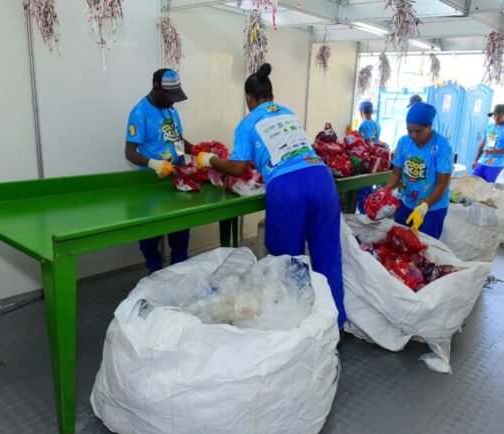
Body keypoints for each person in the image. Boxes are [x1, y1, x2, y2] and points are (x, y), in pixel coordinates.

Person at [196, 63, 346, 328]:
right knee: (327, 255)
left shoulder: (248, 123)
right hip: (321, 180)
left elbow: (238, 167)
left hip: (288, 188)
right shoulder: (288, 114)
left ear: (248, 98)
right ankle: (334, 324)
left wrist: (209, 159)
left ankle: (294, 330)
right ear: (272, 97)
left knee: (287, 262)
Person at [125, 68, 194, 272]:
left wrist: (197, 151)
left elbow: (177, 140)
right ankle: (154, 270)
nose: (173, 101)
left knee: (180, 232)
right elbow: (129, 152)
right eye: (169, 96)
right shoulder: (139, 113)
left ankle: (178, 269)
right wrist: (153, 164)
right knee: (150, 237)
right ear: (156, 87)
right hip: (151, 186)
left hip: (175, 182)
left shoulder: (172, 110)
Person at [385, 102, 453, 239]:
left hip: (432, 208)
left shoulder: (442, 147)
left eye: (418, 131)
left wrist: (424, 207)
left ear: (429, 127)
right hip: (406, 203)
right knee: (398, 242)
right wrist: (385, 191)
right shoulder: (404, 142)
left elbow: (442, 182)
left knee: (424, 249)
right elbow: (396, 172)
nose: (413, 135)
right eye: (410, 130)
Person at [472, 103, 504, 183]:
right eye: (495, 115)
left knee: (490, 189)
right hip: (482, 162)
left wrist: (497, 151)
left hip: (496, 165)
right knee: (474, 184)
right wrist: (476, 160)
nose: (497, 117)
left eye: (500, 115)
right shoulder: (489, 127)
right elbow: (482, 145)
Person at [356, 100, 381, 214]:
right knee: (369, 188)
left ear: (362, 112)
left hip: (367, 160)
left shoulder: (364, 125)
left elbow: (368, 143)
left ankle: (364, 215)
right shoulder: (376, 124)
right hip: (375, 160)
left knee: (362, 190)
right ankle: (371, 211)